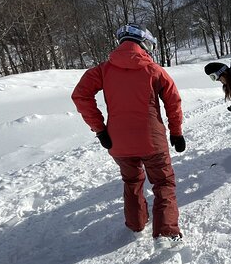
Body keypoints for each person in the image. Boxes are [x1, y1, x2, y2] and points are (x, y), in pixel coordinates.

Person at [71, 23, 186, 250]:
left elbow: (80, 96)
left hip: (118, 142)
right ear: (143, 43)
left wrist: (100, 129)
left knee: (132, 181)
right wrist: (176, 132)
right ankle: (165, 233)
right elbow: (173, 102)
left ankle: (136, 224)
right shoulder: (154, 70)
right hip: (152, 141)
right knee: (163, 182)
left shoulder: (103, 70)